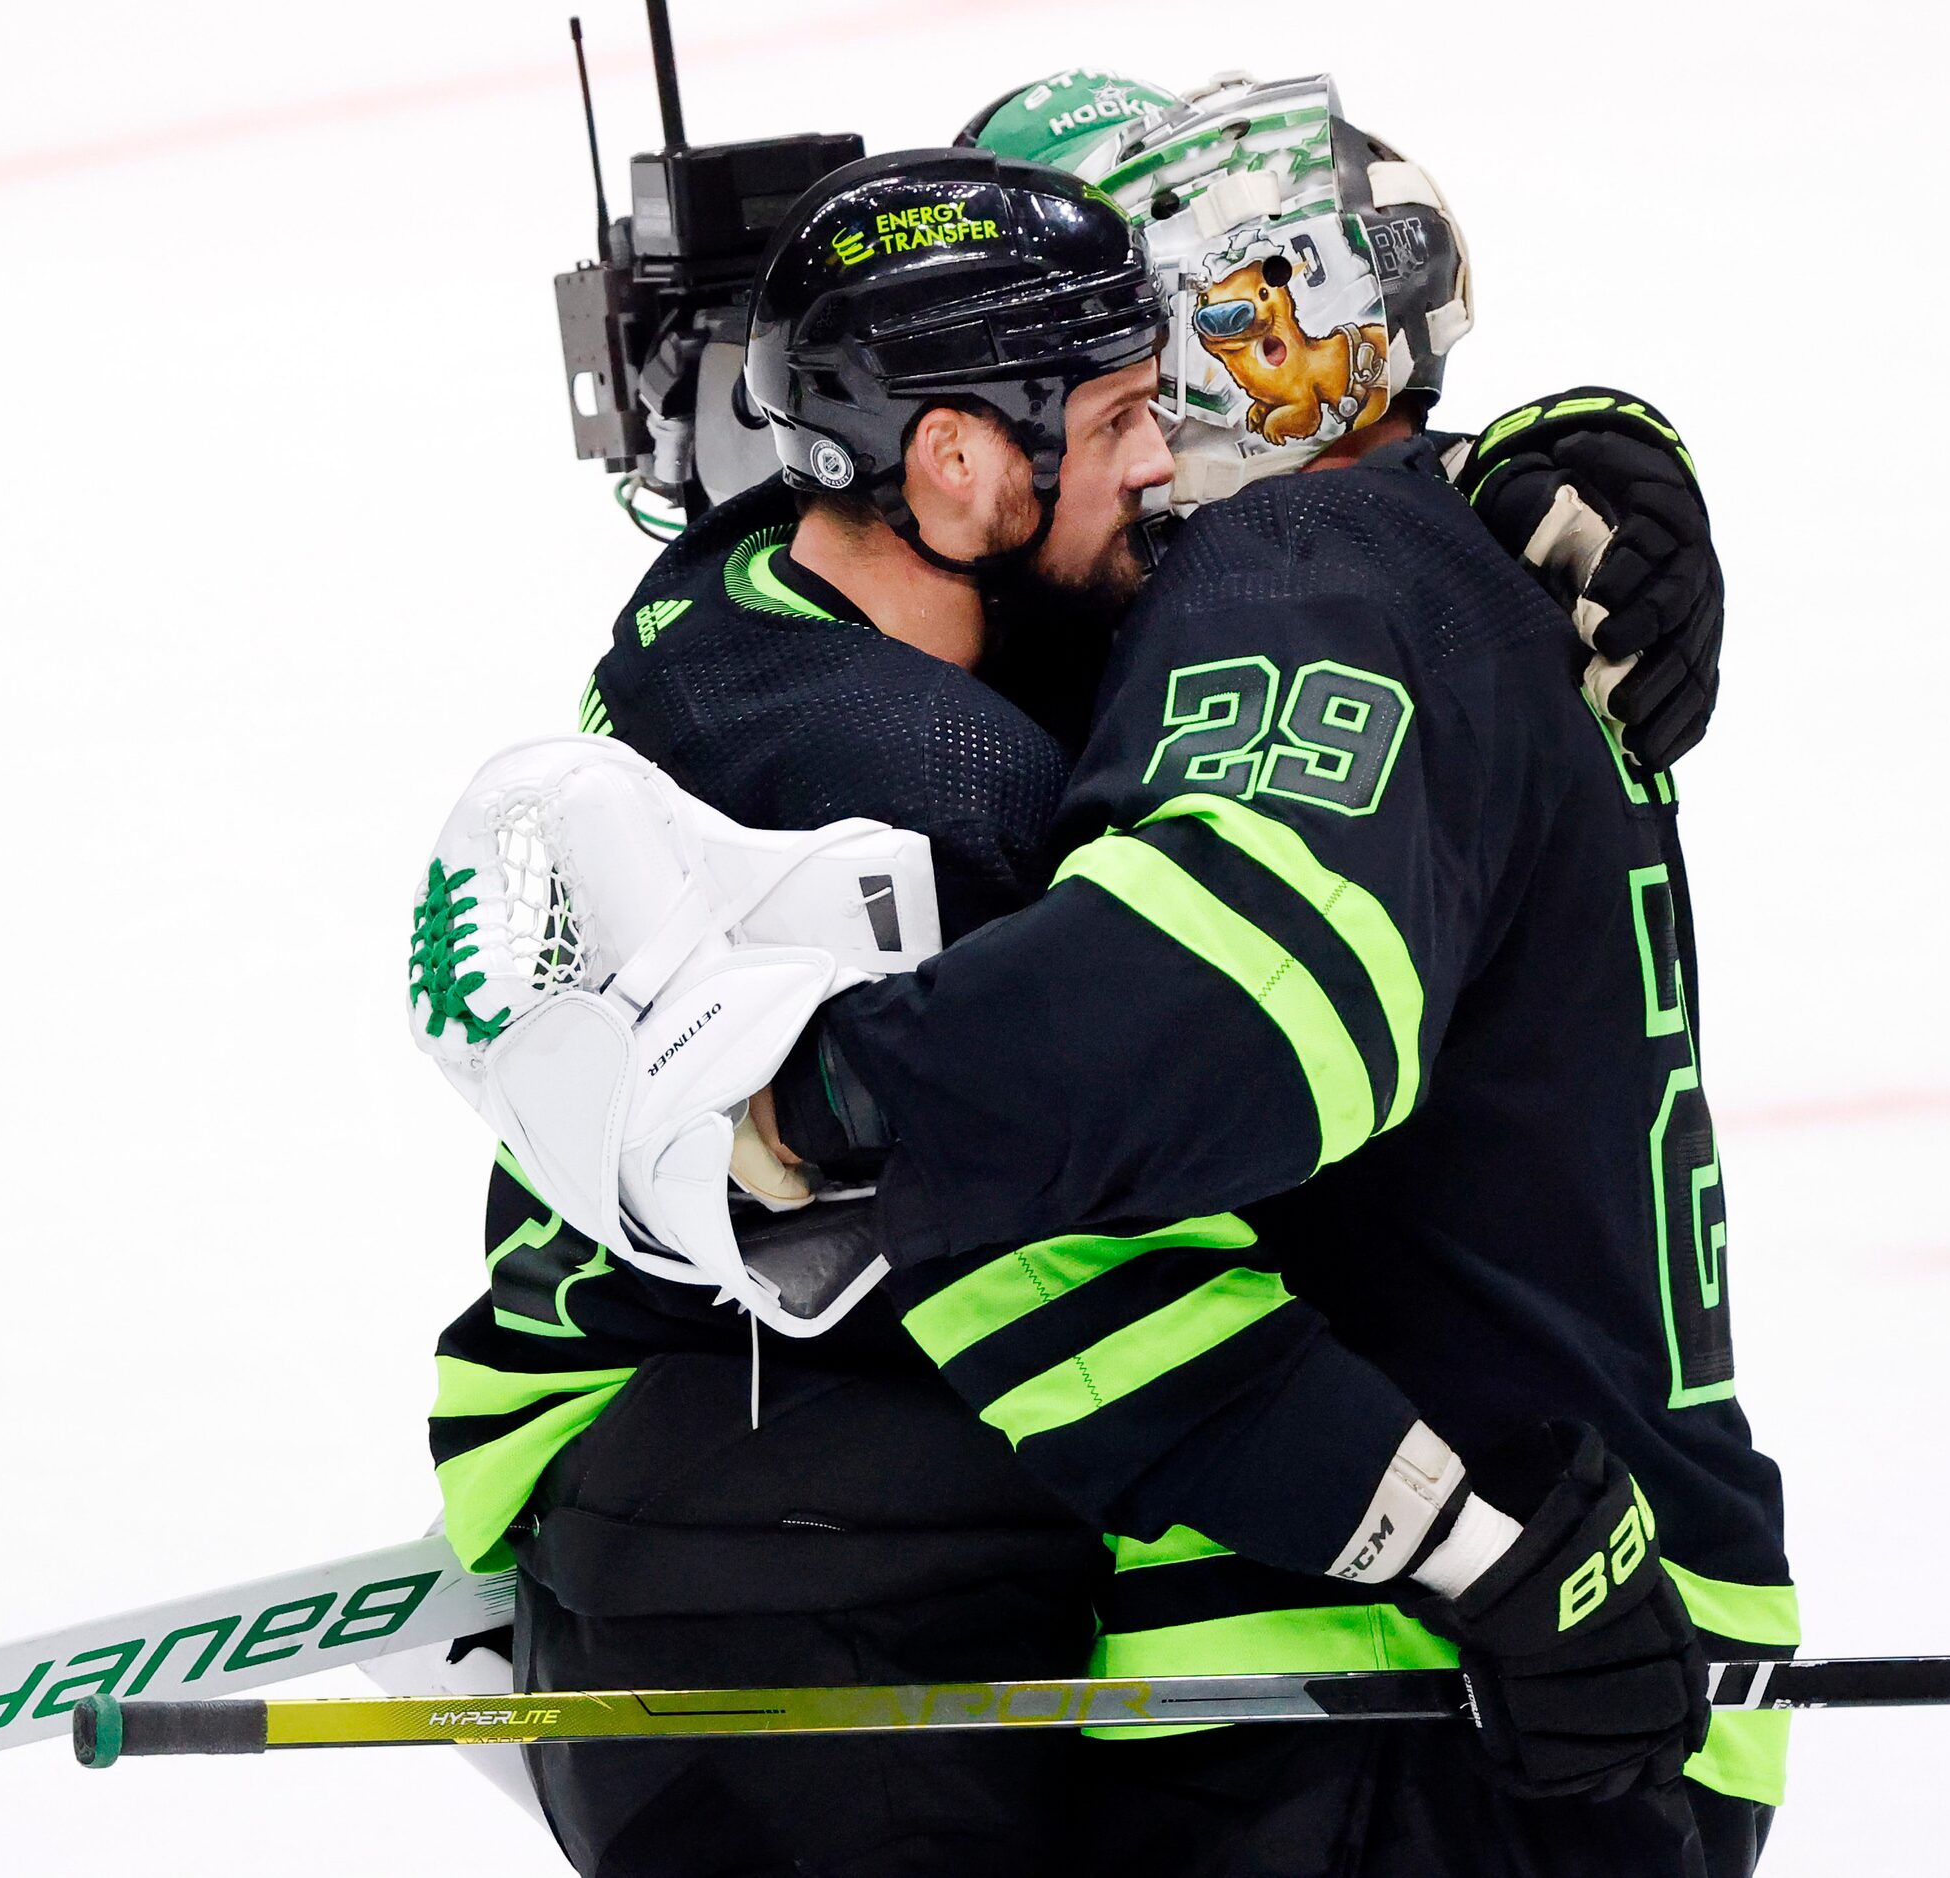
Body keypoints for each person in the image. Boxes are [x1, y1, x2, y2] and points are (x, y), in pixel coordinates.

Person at [419, 92, 1744, 1878]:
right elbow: (1062, 1270)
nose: (1172, 445)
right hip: (742, 1506)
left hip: (792, 1474)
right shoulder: (884, 766)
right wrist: (1476, 1551)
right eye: (1134, 406)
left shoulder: (904, 610)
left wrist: (1531, 457)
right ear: (961, 460)